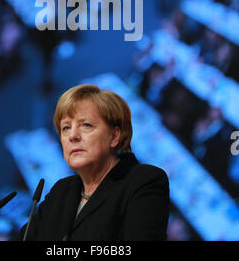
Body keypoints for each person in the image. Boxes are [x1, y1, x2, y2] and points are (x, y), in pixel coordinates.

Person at [19, 84, 170, 241]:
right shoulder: (61, 190)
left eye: (86, 125)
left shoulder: (144, 181)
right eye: (66, 128)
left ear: (114, 136)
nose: (73, 136)